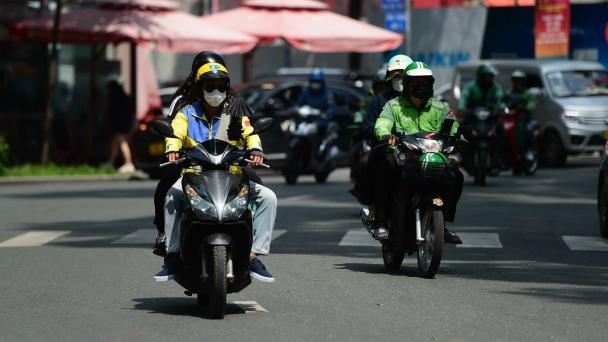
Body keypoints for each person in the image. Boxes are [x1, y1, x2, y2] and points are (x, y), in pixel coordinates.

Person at [153, 55, 277, 283]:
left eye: (221, 87)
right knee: (171, 196)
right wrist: (172, 149)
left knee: (268, 197)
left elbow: (250, 134)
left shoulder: (233, 114)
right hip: (193, 174)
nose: (216, 91)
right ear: (200, 87)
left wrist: (256, 151)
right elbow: (175, 134)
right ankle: (172, 255)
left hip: (231, 172)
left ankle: (253, 255)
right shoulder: (186, 112)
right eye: (210, 87)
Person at [367, 62, 463, 244]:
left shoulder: (440, 107)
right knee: (385, 168)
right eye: (416, 82)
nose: (421, 86)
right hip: (405, 156)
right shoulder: (393, 106)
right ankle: (380, 221)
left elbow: (455, 127)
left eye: (425, 82)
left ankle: (443, 224)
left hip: (435, 156)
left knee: (455, 172)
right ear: (406, 85)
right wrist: (386, 134)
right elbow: (382, 124)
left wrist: (460, 138)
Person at [350, 55, 413, 204]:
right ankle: (374, 206)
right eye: (395, 74)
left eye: (402, 74)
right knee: (367, 163)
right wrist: (384, 135)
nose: (398, 78)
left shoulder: (420, 99)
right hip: (387, 147)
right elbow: (368, 127)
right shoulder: (379, 100)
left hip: (416, 147)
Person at [458, 64, 506, 171]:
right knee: (461, 129)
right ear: (481, 76)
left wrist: (501, 107)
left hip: (490, 118)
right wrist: (461, 108)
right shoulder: (471, 86)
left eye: (491, 76)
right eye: (488, 76)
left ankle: (499, 157)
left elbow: (500, 99)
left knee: (502, 130)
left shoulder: (496, 87)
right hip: (473, 117)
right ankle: (462, 154)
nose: (490, 78)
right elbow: (464, 97)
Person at [504, 70, 539, 171]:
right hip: (511, 120)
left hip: (524, 120)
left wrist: (526, 108)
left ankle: (528, 151)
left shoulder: (527, 94)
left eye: (520, 81)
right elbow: (502, 101)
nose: (517, 83)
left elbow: (532, 104)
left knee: (528, 130)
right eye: (515, 81)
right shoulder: (509, 93)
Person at [106, 80, 136, 173]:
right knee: (116, 142)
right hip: (125, 123)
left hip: (120, 124)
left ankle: (129, 163)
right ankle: (111, 162)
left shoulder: (115, 98)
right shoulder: (124, 97)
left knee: (122, 142)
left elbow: (113, 112)